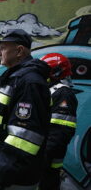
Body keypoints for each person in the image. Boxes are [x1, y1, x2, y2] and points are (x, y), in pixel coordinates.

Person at [0, 29, 51, 190]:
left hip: (10, 180)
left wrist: (0, 179)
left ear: (19, 51)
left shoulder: (29, 83)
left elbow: (24, 139)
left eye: (3, 48)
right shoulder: (14, 78)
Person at [39, 53, 78, 190]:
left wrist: (42, 159)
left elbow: (60, 133)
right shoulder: (48, 90)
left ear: (55, 72)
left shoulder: (63, 94)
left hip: (47, 163)